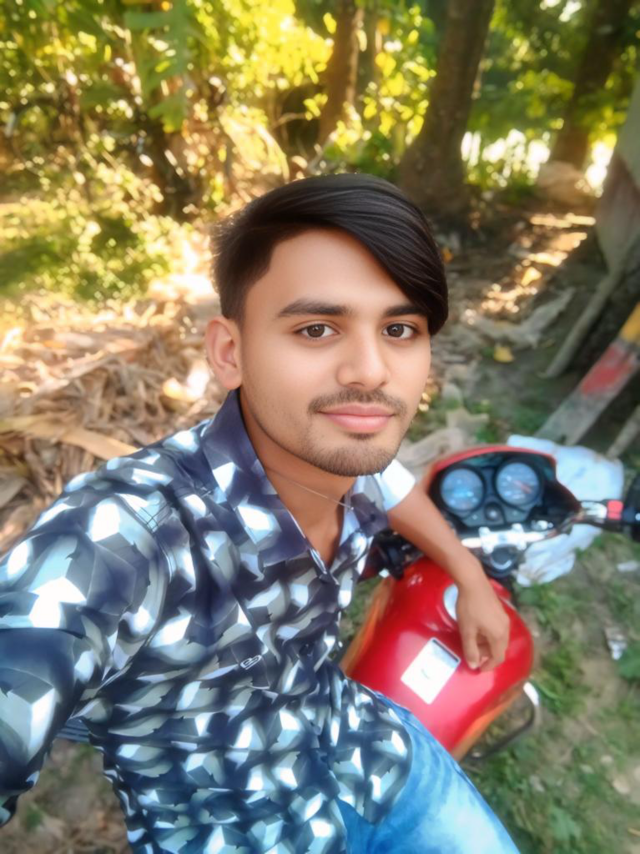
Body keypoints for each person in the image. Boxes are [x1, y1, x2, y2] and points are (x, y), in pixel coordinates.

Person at [0, 174, 518, 853]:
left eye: (399, 329)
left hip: (375, 757)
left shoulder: (343, 454)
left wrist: (470, 577)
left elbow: (393, 486)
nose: (371, 371)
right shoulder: (122, 538)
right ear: (230, 352)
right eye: (316, 328)